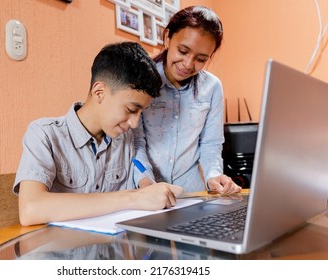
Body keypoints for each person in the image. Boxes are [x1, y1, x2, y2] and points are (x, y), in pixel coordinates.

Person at [13, 42, 183, 226]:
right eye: (131, 109)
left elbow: (143, 177)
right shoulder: (44, 135)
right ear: (99, 92)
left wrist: (149, 190)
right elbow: (31, 209)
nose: (135, 123)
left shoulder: (126, 140)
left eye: (141, 112)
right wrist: (133, 198)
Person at [133, 6, 242, 194]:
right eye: (183, 51)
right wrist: (147, 186)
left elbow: (211, 144)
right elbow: (136, 143)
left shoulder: (212, 87)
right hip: (145, 190)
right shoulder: (140, 78)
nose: (188, 64)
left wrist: (214, 176)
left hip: (189, 194)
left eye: (200, 59)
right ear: (167, 37)